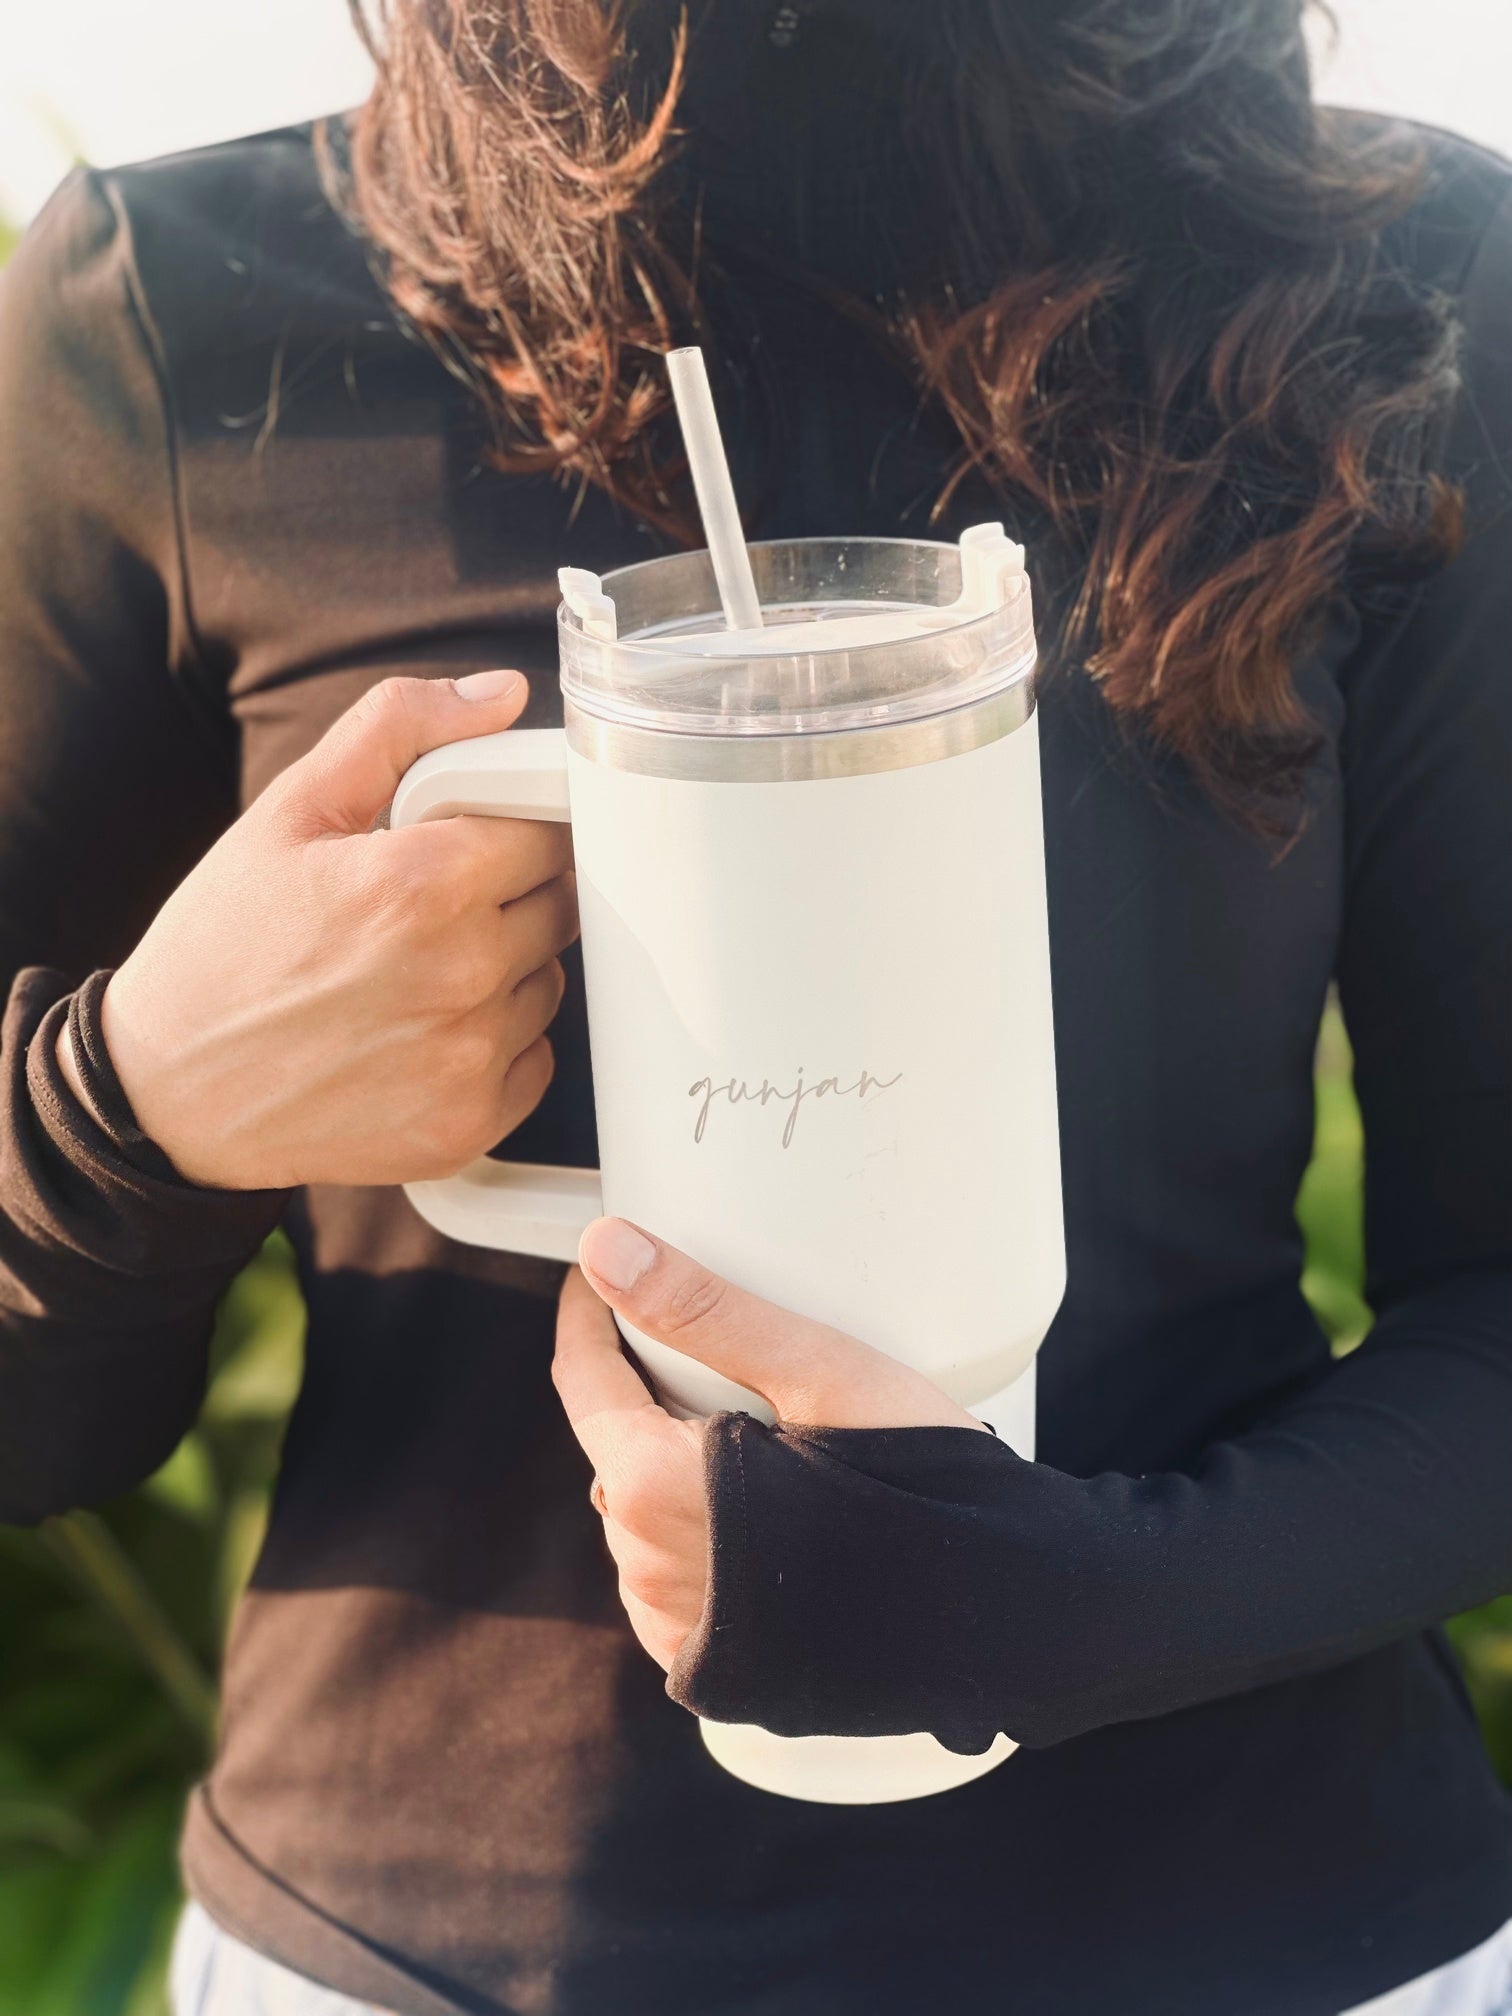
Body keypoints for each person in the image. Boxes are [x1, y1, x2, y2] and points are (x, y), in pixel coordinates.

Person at [1, 1, 1509, 2011]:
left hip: (1299, 1952)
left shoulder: (1394, 279)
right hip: (412, 1957)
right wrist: (131, 1105)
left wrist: (1088, 1605)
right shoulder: (173, 317)